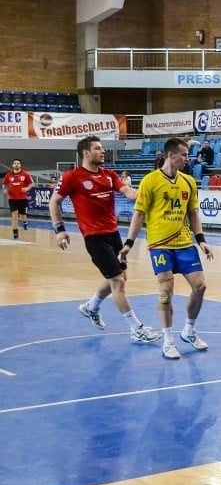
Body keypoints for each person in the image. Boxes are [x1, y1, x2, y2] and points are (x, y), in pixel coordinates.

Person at [49, 136, 160, 344]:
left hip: (113, 234)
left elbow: (127, 192)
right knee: (117, 281)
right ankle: (136, 328)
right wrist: (59, 230)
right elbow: (54, 202)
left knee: (119, 278)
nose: (103, 152)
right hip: (94, 237)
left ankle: (91, 306)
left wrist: (145, 194)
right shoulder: (72, 177)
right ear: (86, 153)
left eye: (102, 148)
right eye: (98, 148)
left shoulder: (109, 174)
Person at [119, 138, 213, 360]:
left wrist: (201, 240)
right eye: (184, 155)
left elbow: (193, 214)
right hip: (160, 245)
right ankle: (168, 340)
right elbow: (139, 214)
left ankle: (188, 330)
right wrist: (129, 244)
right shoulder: (150, 181)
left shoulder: (189, 182)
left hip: (184, 243)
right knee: (165, 292)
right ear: (171, 155)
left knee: (200, 287)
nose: (187, 159)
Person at [3, 159, 33, 239]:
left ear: (20, 165)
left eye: (18, 163)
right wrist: (4, 189)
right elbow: (4, 184)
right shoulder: (8, 175)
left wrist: (27, 188)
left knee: (23, 215)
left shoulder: (25, 174)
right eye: (15, 163)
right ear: (13, 165)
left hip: (23, 198)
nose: (16, 164)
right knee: (15, 215)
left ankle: (25, 222)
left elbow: (32, 183)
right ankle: (15, 233)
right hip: (12, 198)